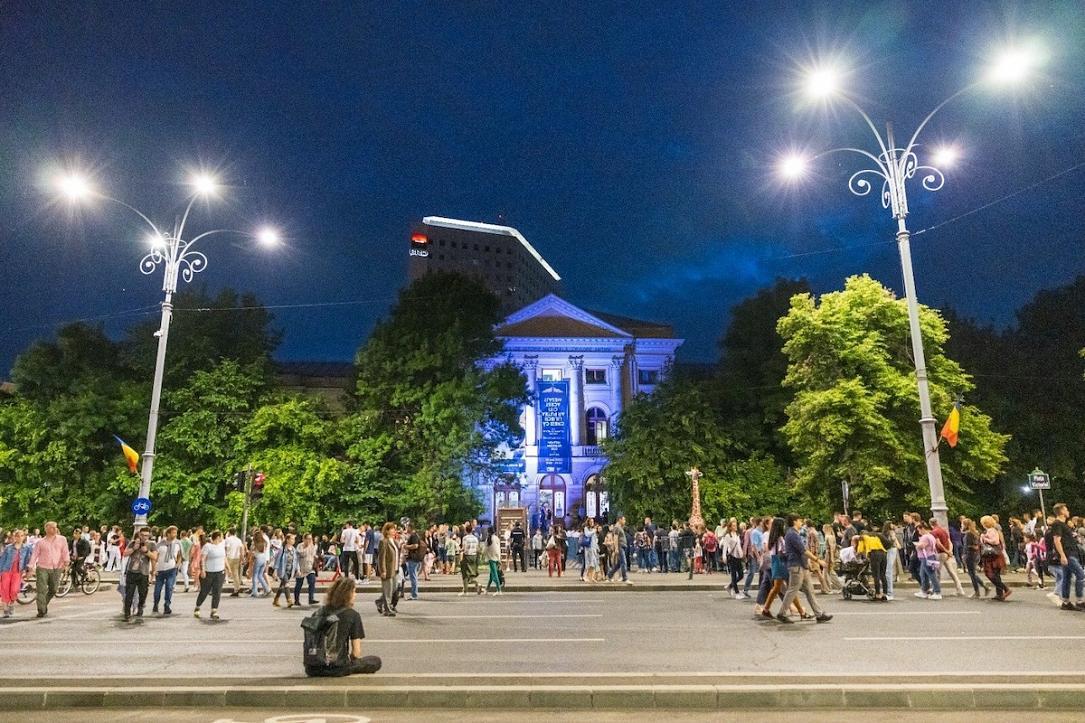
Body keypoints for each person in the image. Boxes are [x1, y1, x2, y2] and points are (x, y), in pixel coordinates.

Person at [303, 577, 381, 677]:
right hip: (336, 668)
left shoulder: (318, 613)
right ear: (347, 595)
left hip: (312, 668)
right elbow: (356, 653)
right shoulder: (353, 615)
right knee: (375, 661)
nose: (355, 595)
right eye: (354, 591)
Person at [777, 515, 832, 624]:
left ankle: (819, 614)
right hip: (796, 566)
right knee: (793, 590)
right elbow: (803, 550)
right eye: (799, 521)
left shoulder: (794, 533)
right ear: (794, 521)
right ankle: (781, 613)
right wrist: (818, 560)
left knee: (809, 590)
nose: (801, 522)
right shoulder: (792, 534)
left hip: (802, 565)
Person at [28, 521, 69, 619]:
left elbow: (65, 551)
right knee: (41, 590)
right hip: (42, 568)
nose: (55, 529)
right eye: (52, 527)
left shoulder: (62, 539)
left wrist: (66, 562)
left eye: (55, 527)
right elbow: (34, 555)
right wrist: (30, 567)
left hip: (57, 567)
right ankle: (41, 610)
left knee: (54, 589)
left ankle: (44, 603)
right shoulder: (40, 542)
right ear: (46, 529)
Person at [1049, 503, 1084, 611]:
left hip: (1070, 554)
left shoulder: (1063, 524)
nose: (1068, 511)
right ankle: (1079, 601)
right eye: (1066, 509)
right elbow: (1056, 540)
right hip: (1068, 555)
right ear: (1062, 511)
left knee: (1067, 578)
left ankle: (1066, 602)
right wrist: (1063, 555)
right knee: (1081, 575)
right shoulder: (1057, 524)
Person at [929, 518, 966, 597]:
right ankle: (960, 589)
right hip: (947, 554)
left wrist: (946, 551)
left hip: (940, 554)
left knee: (936, 572)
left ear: (930, 524)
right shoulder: (943, 530)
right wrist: (950, 551)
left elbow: (938, 544)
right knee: (952, 572)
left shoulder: (934, 532)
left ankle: (936, 590)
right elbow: (949, 542)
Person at [194, 530, 226, 619]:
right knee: (204, 591)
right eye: (221, 536)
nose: (222, 538)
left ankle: (214, 611)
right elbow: (202, 559)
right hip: (208, 573)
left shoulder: (222, 546)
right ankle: (197, 607)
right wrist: (203, 570)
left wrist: (228, 569)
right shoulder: (208, 546)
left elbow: (224, 558)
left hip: (220, 572)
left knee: (217, 592)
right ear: (218, 537)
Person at [0, 529, 32, 618]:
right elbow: (2, 559)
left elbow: (29, 559)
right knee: (5, 589)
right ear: (14, 537)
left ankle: (11, 604)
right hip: (6, 570)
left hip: (18, 572)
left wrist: (29, 570)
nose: (19, 538)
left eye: (21, 536)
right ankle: (6, 609)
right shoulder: (8, 547)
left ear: (24, 537)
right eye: (17, 536)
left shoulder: (27, 547)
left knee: (14, 590)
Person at [152, 525, 182, 615]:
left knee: (169, 587)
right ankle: (156, 604)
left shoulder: (177, 543)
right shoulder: (160, 544)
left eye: (176, 532)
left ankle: (167, 605)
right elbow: (154, 557)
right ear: (168, 534)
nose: (175, 534)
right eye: (173, 533)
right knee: (157, 589)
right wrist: (154, 569)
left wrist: (177, 565)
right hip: (160, 569)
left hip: (171, 569)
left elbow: (180, 555)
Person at [979, 515, 1010, 601]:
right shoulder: (989, 531)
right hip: (992, 555)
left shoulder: (991, 531)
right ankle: (999, 594)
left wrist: (985, 538)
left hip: (993, 555)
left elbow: (995, 541)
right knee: (996, 574)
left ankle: (1006, 589)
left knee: (990, 574)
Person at [913, 521, 942, 600]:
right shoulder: (931, 536)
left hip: (926, 557)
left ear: (922, 529)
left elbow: (922, 546)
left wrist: (917, 545)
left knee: (931, 575)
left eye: (919, 530)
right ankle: (924, 590)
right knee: (923, 574)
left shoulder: (925, 537)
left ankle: (937, 592)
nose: (919, 532)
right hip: (930, 556)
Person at [857, 527, 887, 601]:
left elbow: (859, 550)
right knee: (882, 574)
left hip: (874, 554)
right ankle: (885, 594)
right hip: (883, 553)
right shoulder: (874, 536)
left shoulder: (862, 537)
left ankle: (877, 594)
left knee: (876, 575)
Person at [377, 521, 399, 616]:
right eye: (392, 529)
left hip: (395, 568)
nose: (394, 531)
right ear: (387, 530)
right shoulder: (383, 542)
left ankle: (379, 602)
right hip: (388, 569)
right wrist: (383, 570)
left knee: (393, 589)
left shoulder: (394, 541)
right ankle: (387, 609)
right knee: (388, 590)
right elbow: (381, 558)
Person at [273, 533, 300, 608]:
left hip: (290, 571)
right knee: (287, 584)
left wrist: (298, 569)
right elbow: (277, 560)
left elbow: (296, 561)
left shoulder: (294, 550)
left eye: (294, 539)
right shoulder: (282, 549)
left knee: (282, 586)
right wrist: (275, 570)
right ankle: (289, 601)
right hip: (282, 570)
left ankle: (276, 600)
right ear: (287, 540)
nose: (293, 540)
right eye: (292, 539)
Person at [295, 533, 319, 606]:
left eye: (310, 539)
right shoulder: (300, 546)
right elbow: (301, 554)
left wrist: (316, 557)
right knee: (299, 584)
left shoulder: (313, 546)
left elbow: (313, 554)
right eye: (308, 539)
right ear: (304, 539)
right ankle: (296, 600)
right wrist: (307, 547)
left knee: (312, 581)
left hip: (310, 567)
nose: (309, 540)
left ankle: (311, 599)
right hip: (301, 568)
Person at [458, 523, 481, 596]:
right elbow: (477, 548)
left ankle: (465, 591)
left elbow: (464, 548)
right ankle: (477, 584)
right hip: (474, 556)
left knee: (464, 573)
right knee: (471, 573)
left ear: (466, 530)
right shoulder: (475, 538)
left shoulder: (465, 538)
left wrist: (460, 550)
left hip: (467, 555)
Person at [403, 523, 424, 600]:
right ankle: (414, 594)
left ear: (410, 527)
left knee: (413, 577)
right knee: (413, 576)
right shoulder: (415, 535)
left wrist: (406, 546)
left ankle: (414, 594)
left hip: (413, 558)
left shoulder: (414, 535)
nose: (405, 529)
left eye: (406, 527)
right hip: (413, 558)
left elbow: (415, 546)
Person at [249, 529, 271, 598]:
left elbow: (252, 551)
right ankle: (267, 589)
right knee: (260, 575)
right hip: (264, 558)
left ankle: (255, 591)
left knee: (255, 575)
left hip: (258, 558)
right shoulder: (264, 542)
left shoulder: (255, 543)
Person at [223, 528, 244, 597]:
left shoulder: (228, 539)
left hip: (229, 557)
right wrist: (242, 559)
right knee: (235, 574)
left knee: (223, 572)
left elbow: (225, 549)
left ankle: (217, 589)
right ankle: (236, 589)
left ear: (229, 532)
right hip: (237, 558)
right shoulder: (239, 540)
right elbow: (241, 550)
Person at [483, 527, 503, 595]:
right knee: (492, 575)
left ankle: (498, 589)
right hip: (496, 558)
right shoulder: (496, 538)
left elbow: (484, 550)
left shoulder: (488, 540)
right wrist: (499, 558)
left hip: (491, 558)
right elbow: (498, 549)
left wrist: (483, 556)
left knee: (494, 575)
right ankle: (486, 589)